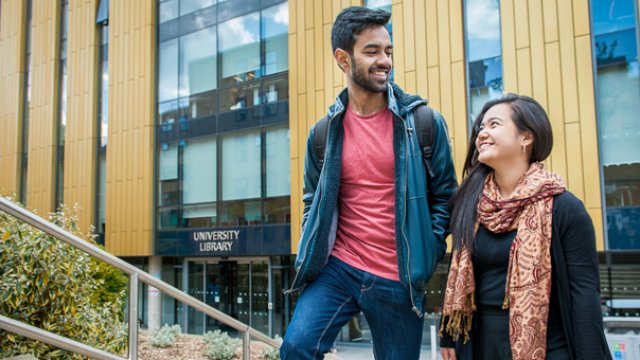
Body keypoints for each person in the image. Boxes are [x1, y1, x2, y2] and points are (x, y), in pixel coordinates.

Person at [280, 6, 458, 360]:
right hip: (339, 268)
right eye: (372, 51)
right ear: (343, 59)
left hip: (399, 277)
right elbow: (312, 199)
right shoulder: (323, 133)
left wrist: (430, 248)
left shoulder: (423, 122)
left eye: (388, 51)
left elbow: (447, 197)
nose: (385, 61)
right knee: (296, 348)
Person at [439, 94, 612, 360]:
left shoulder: (565, 209)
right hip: (480, 346)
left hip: (547, 347)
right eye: (481, 127)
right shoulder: (471, 206)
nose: (482, 134)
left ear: (526, 138)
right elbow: (459, 275)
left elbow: (584, 295)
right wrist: (449, 335)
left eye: (494, 124)